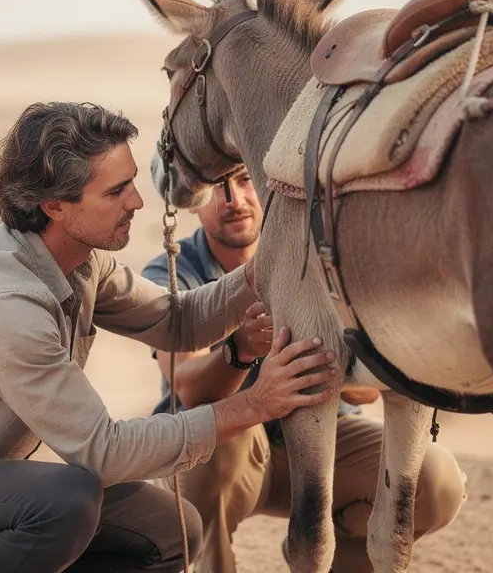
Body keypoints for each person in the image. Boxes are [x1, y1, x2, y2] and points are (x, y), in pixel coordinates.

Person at [0, 101, 341, 573]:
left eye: (133, 181)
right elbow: (102, 452)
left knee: (172, 529)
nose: (138, 201)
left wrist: (263, 265)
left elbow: (178, 320)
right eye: (115, 191)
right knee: (66, 500)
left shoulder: (78, 261)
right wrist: (256, 403)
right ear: (55, 207)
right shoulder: (1, 302)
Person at [141, 167, 469, 573]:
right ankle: (213, 564)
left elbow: (369, 391)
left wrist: (323, 367)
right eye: (216, 189)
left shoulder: (320, 259)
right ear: (191, 200)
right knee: (209, 437)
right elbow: (187, 386)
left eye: (245, 180)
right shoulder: (171, 271)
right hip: (233, 458)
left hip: (326, 441)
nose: (235, 200)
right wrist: (241, 347)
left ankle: (335, 551)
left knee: (436, 483)